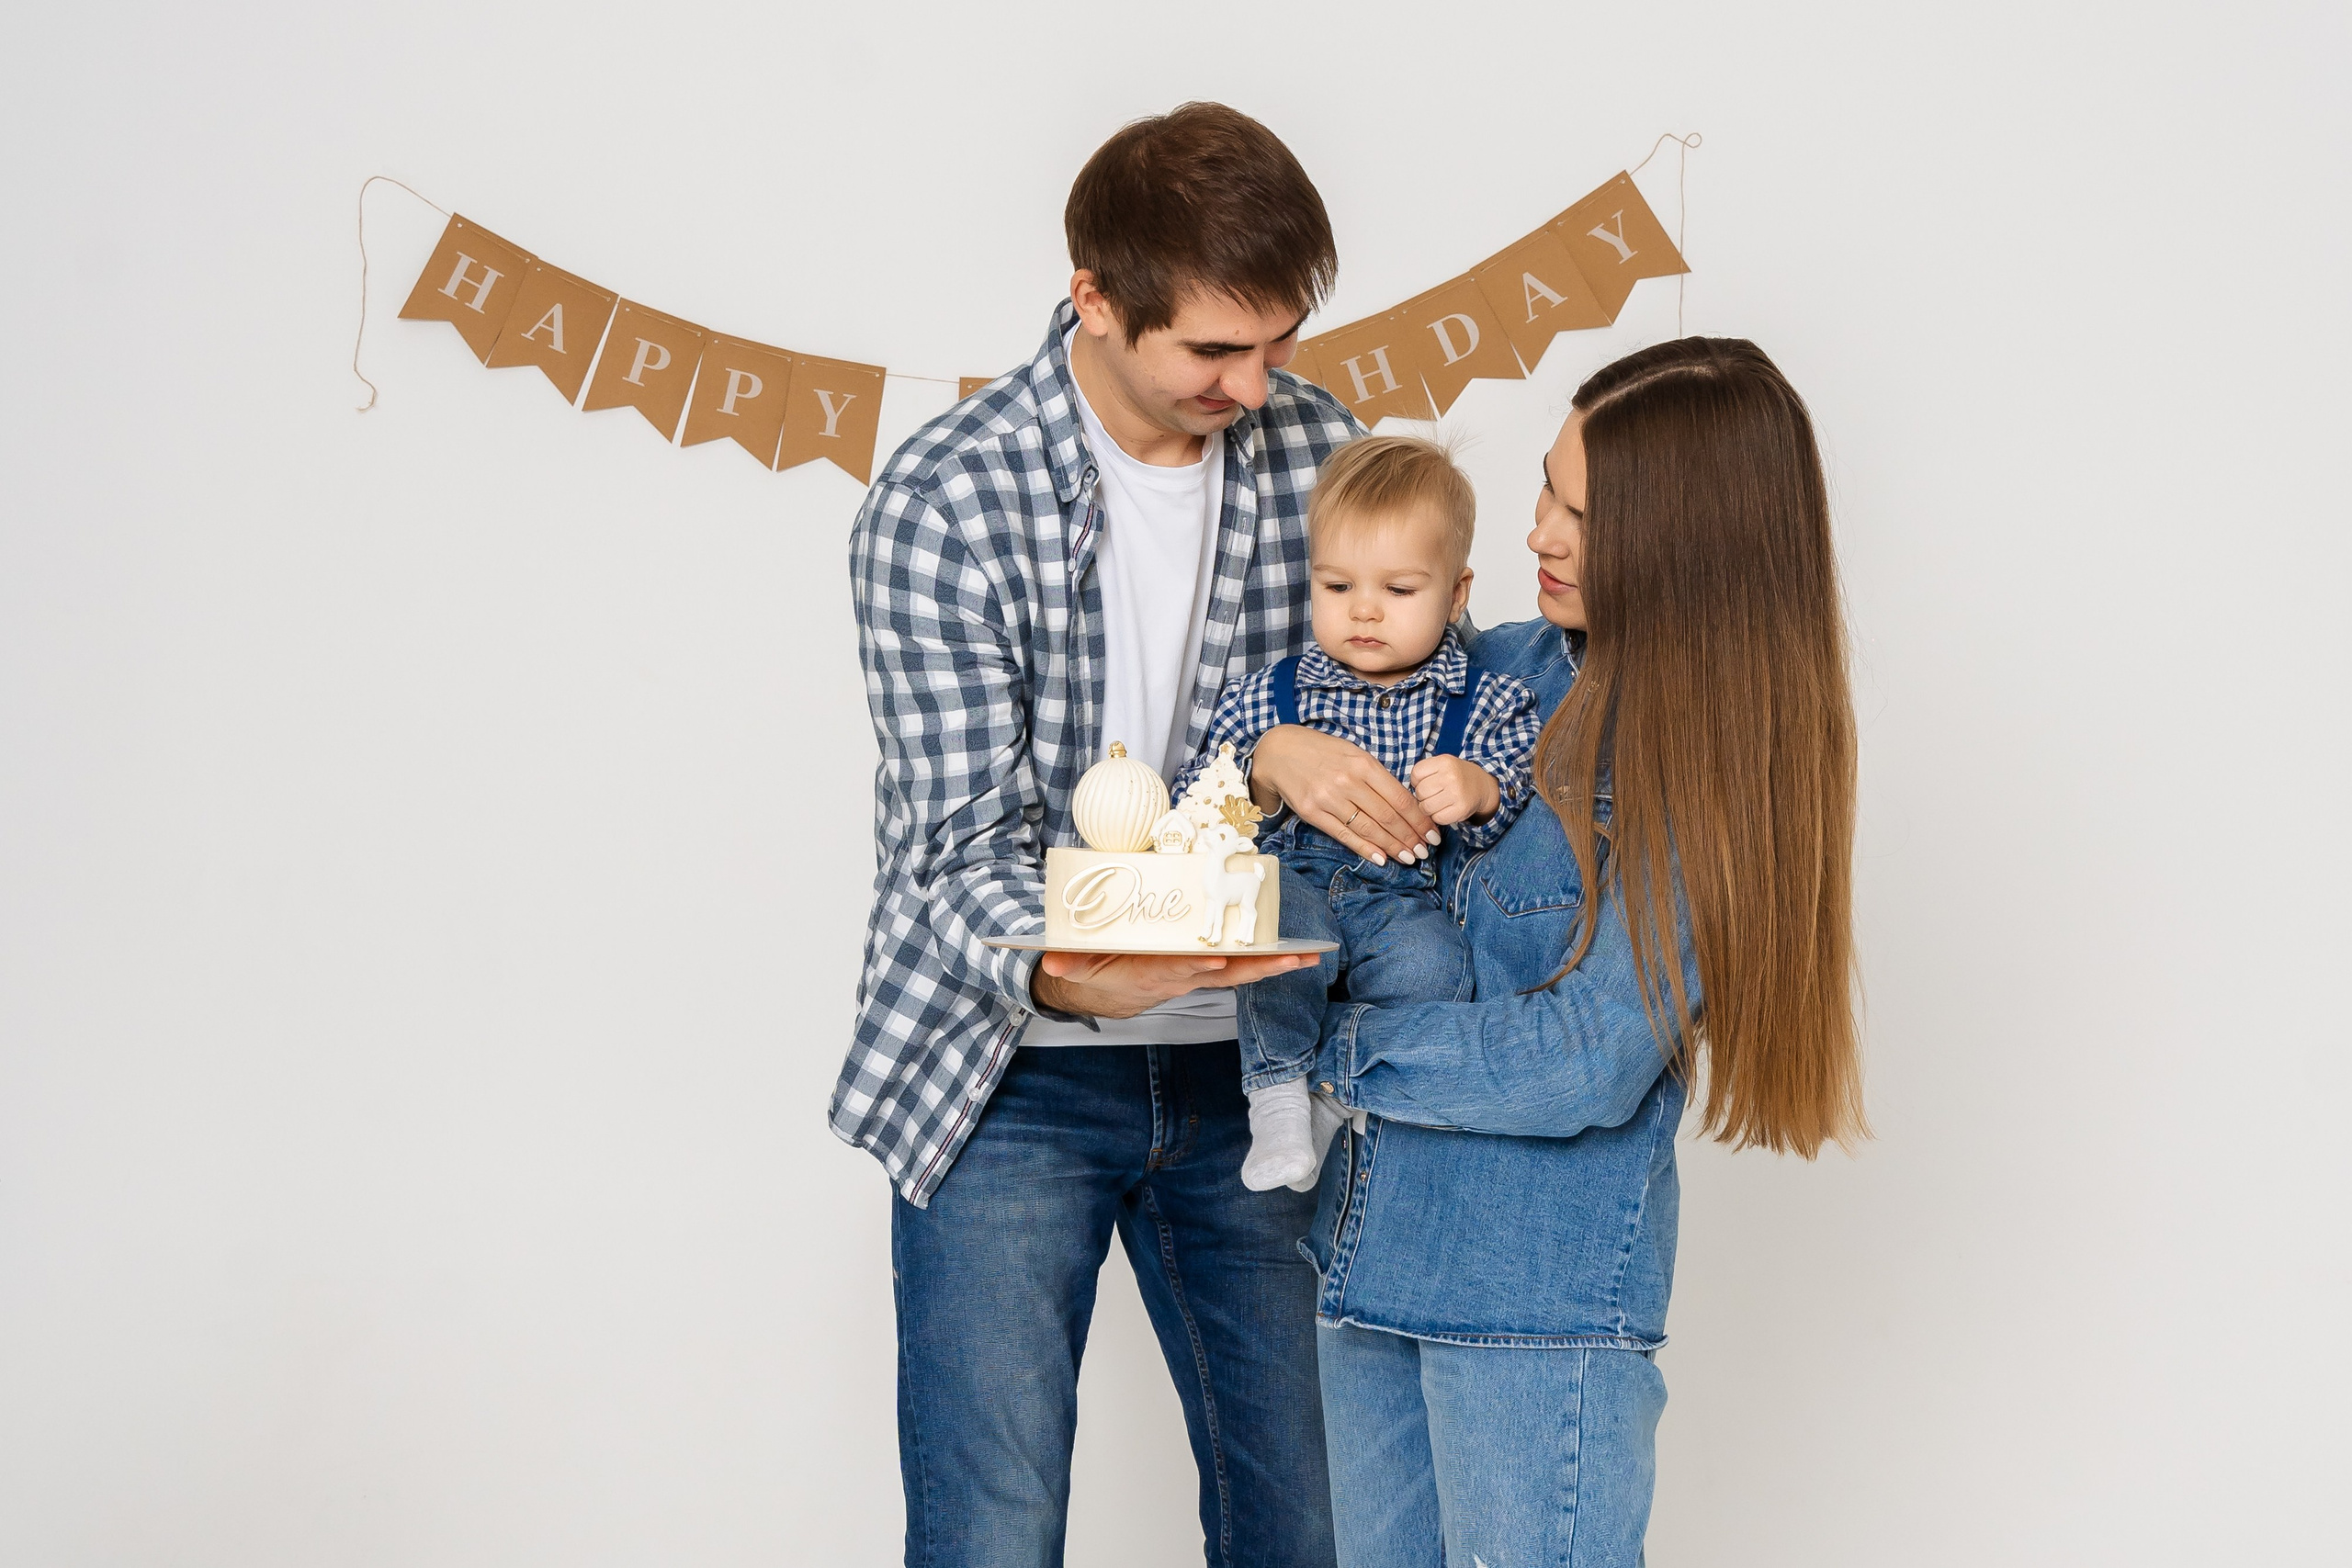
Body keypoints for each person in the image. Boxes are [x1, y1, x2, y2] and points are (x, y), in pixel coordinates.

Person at [831, 103, 1367, 1568]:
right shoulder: (944, 501)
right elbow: (951, 848)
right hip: (1009, 1073)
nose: (1256, 386)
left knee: (1315, 1518)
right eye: (1213, 352)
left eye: (1277, 343)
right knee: (993, 1531)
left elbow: (1400, 691)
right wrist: (1073, 968)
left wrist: (1330, 744)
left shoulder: (1319, 445)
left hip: (1252, 1065)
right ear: (1095, 300)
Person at [1249, 338, 1868, 1568]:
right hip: (1368, 1265)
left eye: (1584, 514)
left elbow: (1581, 1059)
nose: (1539, 534)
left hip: (1536, 1303)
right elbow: (1306, 735)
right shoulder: (1493, 672)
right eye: (1546, 485)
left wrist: (1336, 1051)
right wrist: (1276, 756)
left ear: (1685, 541)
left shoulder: (1706, 755)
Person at [1167, 435, 1541, 1190]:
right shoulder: (1269, 694)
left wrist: (1479, 789)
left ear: (1456, 593)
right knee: (1280, 941)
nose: (1364, 611)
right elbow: (1191, 809)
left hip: (1399, 895)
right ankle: (1274, 1101)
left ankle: (1332, 1096)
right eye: (1337, 587)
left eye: (1398, 591)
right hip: (1296, 876)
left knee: (1438, 967)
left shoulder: (1482, 699)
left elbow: (1515, 778)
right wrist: (1259, 770)